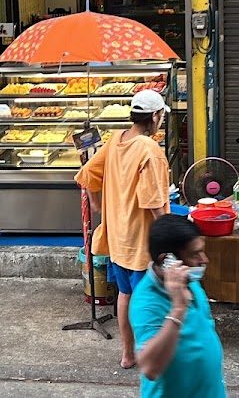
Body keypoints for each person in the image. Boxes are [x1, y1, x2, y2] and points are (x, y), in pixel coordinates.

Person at [75, 89, 171, 370]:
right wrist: (169, 237)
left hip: (117, 238)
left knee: (125, 295)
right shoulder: (149, 150)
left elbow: (87, 172)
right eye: (161, 116)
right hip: (141, 240)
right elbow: (153, 202)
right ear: (155, 116)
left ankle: (128, 354)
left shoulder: (117, 139)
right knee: (148, 300)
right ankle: (150, 356)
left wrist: (97, 204)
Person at [130, 214, 226, 398]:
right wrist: (178, 309)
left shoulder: (188, 280)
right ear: (168, 260)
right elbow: (150, 368)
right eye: (195, 254)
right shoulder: (146, 302)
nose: (204, 260)